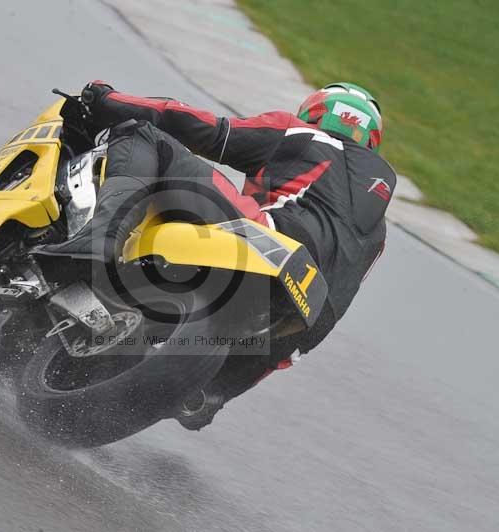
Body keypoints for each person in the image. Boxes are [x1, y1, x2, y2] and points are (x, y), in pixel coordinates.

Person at [48, 81, 396, 429]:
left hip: (269, 237)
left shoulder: (302, 134)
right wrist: (223, 390)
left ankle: (97, 244)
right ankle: (205, 395)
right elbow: (334, 303)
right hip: (308, 317)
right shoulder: (378, 232)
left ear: (314, 114)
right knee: (208, 392)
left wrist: (108, 100)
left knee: (145, 135)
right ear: (371, 140)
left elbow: (202, 127)